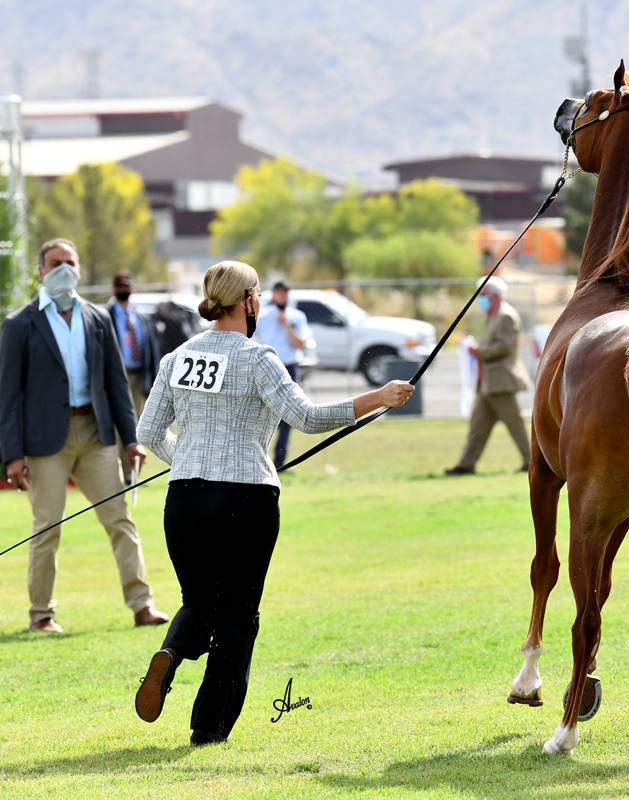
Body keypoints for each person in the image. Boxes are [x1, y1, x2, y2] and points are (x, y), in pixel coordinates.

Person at [134, 260, 413, 746]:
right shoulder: (257, 356)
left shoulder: (175, 358)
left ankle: (171, 654)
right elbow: (306, 417)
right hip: (246, 497)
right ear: (247, 301)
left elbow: (148, 432)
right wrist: (380, 396)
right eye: (257, 293)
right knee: (239, 613)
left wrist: (190, 460)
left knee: (198, 602)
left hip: (184, 499)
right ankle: (208, 727)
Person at [0, 238, 169, 633]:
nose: (64, 270)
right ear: (40, 272)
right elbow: (6, 396)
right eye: (56, 263)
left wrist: (131, 440)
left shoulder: (97, 318)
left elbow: (116, 386)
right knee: (48, 527)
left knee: (120, 520)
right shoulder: (19, 324)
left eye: (70, 263)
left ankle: (142, 606)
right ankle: (42, 615)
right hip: (44, 444)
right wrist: (12, 454)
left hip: (96, 436)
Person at [445, 277, 531, 474]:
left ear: (493, 295)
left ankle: (532, 462)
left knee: (515, 426)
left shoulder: (506, 315)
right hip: (487, 383)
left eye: (482, 294)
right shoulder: (493, 315)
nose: (480, 299)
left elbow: (506, 346)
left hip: (501, 381)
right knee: (477, 426)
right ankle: (466, 465)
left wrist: (479, 351)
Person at [107, 271, 160, 483]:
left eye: (127, 286)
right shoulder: (107, 316)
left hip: (139, 377)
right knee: (119, 427)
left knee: (137, 425)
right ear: (113, 290)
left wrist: (152, 381)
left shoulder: (141, 318)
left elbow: (152, 350)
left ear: (134, 288)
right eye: (120, 287)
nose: (124, 290)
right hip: (116, 377)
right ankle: (119, 473)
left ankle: (133, 474)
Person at [253, 279, 310, 470]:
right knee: (266, 414)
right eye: (279, 292)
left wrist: (286, 324)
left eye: (286, 292)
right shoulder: (263, 316)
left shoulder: (296, 316)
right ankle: (261, 460)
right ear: (274, 294)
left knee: (289, 417)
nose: (282, 296)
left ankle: (280, 464)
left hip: (290, 367)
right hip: (270, 367)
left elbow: (300, 344)